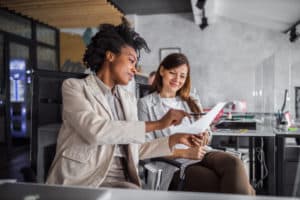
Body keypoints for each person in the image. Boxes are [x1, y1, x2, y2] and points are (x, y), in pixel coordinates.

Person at [46, 20, 203, 189]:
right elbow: (95, 131)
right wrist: (157, 125)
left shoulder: (128, 99)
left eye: (135, 63)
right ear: (110, 56)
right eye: (131, 60)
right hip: (85, 178)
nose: (134, 69)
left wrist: (174, 139)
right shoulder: (75, 87)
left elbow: (136, 149)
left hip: (123, 178)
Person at [138, 53, 255, 195]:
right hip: (173, 163)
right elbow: (146, 148)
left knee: (235, 163)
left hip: (202, 152)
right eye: (173, 73)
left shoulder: (191, 99)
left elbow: (207, 132)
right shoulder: (145, 104)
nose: (177, 79)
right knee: (242, 189)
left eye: (182, 76)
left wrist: (206, 136)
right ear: (162, 71)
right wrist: (185, 152)